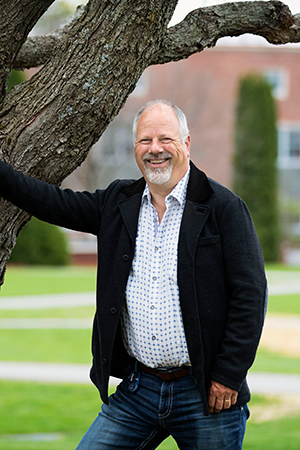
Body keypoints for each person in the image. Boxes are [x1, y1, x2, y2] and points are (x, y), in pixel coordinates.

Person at [0, 100, 267, 449]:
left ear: (186, 143)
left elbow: (251, 294)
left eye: (165, 139)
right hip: (139, 389)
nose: (155, 149)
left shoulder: (223, 207)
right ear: (135, 148)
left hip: (206, 393)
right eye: (145, 141)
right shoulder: (117, 202)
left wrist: (229, 375)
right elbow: (54, 202)